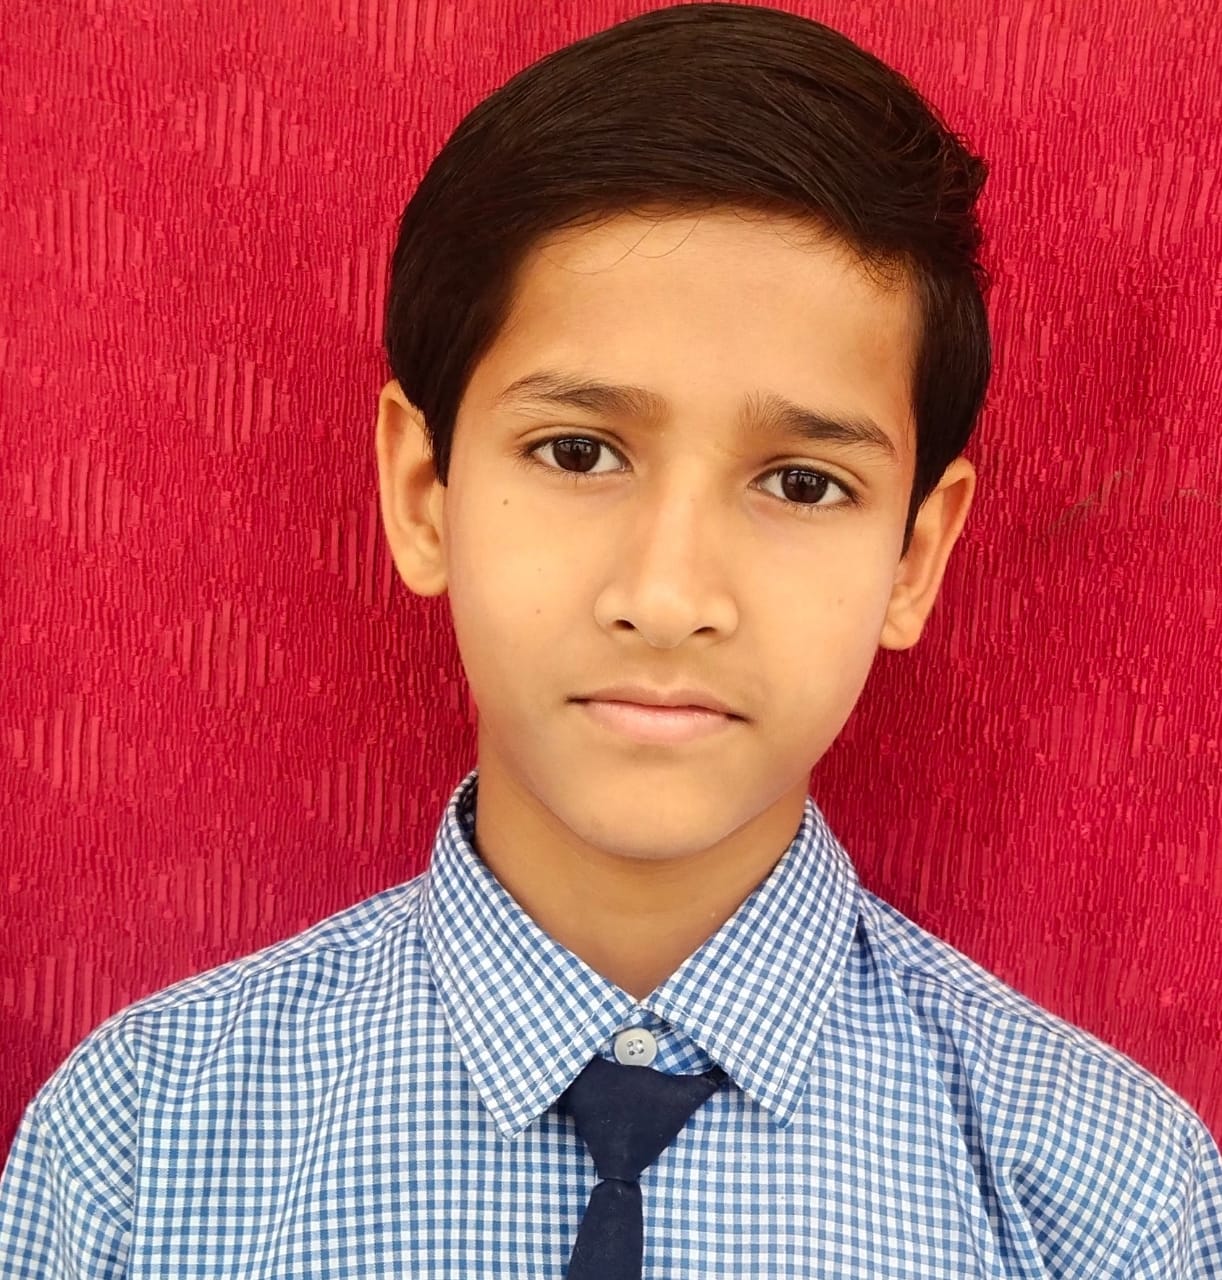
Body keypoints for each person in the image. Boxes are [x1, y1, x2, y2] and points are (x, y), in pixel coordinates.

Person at [2, 3, 1219, 1276]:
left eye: (802, 482)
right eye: (578, 452)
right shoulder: (141, 1142)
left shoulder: (1107, 1192)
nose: (668, 593)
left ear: (914, 556)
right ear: (422, 494)